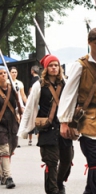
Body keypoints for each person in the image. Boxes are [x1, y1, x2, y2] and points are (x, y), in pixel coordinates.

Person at [57, 28, 96, 194]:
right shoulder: (80, 65)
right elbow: (69, 94)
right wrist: (64, 121)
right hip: (88, 121)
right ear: (89, 43)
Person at [17, 55, 74, 194]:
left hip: (64, 127)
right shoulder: (39, 85)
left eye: (56, 65)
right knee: (51, 162)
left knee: (67, 159)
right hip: (48, 129)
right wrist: (24, 130)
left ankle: (59, 182)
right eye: (51, 65)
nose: (54, 67)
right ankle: (52, 190)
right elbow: (30, 107)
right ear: (46, 68)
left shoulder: (66, 83)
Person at [0, 66, 21, 189]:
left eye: (4, 73)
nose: (3, 75)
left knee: (11, 148)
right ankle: (8, 177)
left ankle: (2, 174)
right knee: (4, 150)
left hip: (12, 123)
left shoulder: (12, 89)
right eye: (0, 73)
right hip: (0, 124)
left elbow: (19, 104)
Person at [27, 65, 40, 146]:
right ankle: (39, 139)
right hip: (39, 102)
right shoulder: (40, 79)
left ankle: (30, 140)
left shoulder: (33, 79)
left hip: (34, 101)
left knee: (31, 119)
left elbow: (31, 90)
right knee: (38, 120)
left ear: (32, 71)